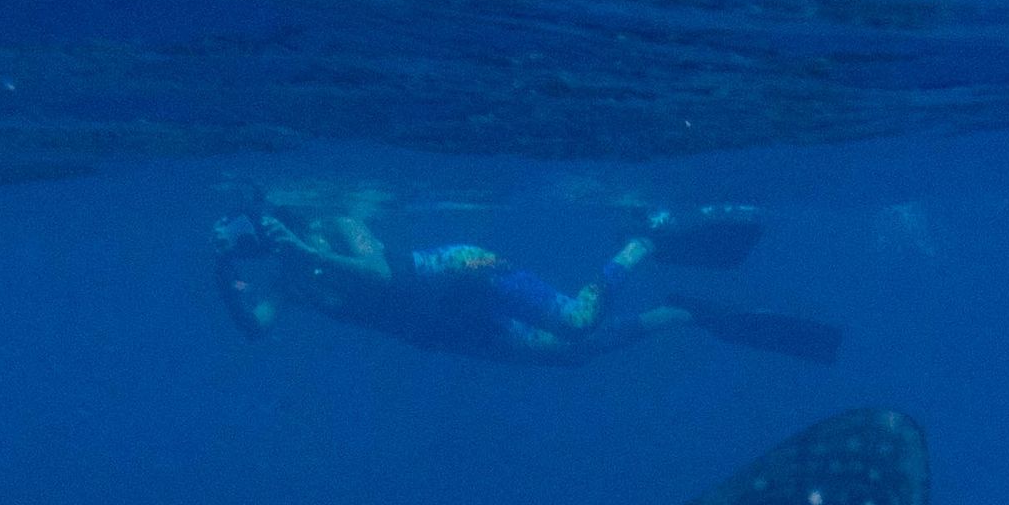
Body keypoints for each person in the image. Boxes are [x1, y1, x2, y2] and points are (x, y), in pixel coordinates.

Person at [213, 205, 842, 365]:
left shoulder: (333, 228)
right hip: (442, 327)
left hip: (461, 272)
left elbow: (383, 277)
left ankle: (645, 240)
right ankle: (683, 312)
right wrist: (224, 273)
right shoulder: (293, 277)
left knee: (575, 322)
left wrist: (303, 249)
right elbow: (255, 328)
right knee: (573, 358)